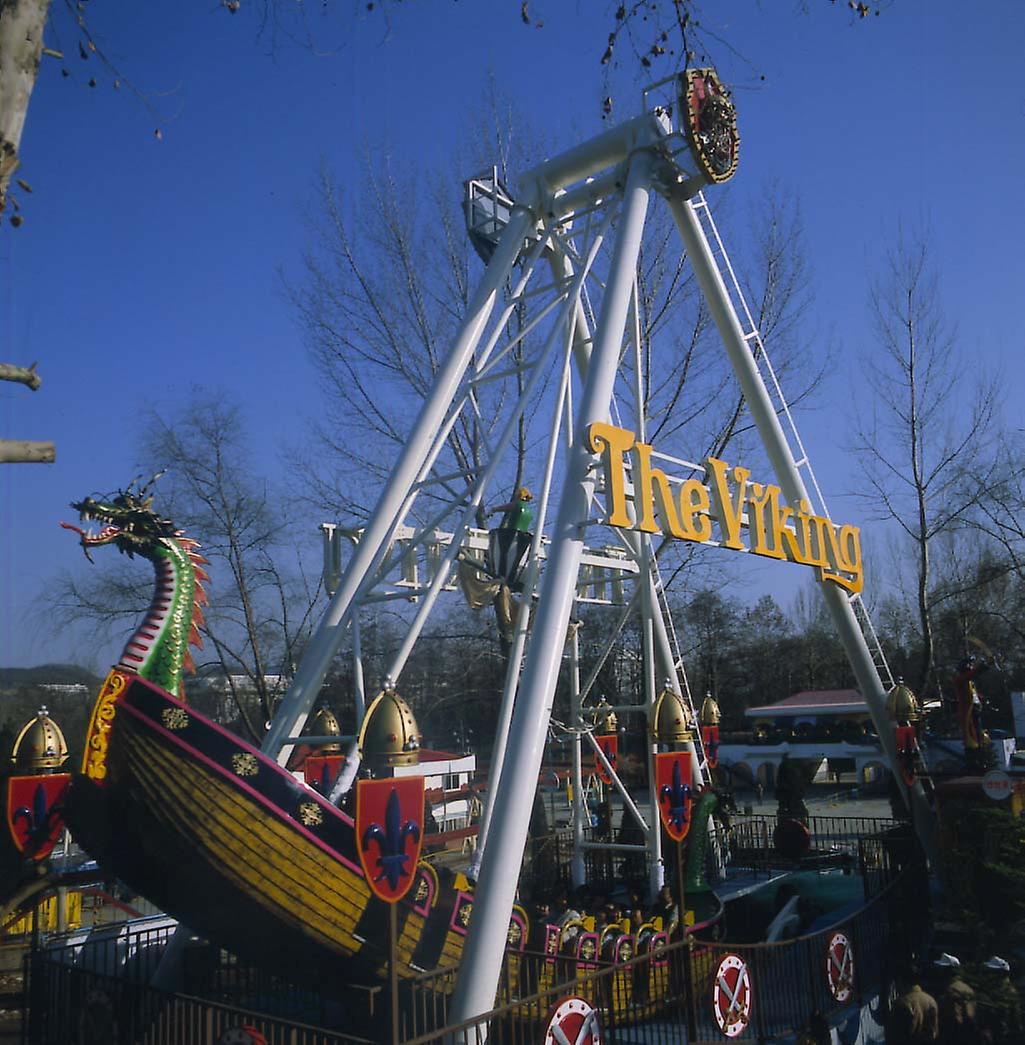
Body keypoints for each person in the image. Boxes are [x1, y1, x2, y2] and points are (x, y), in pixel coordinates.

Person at [485, 487, 534, 588]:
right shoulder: (529, 510)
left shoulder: (518, 505)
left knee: (505, 554)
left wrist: (493, 509)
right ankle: (515, 575)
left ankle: (503, 573)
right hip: (523, 536)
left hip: (511, 534)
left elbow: (508, 507)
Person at [886, 964, 938, 1044]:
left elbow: (895, 1036)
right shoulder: (931, 1001)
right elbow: (934, 1032)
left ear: (901, 981)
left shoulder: (902, 1003)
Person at [934, 953, 978, 1045]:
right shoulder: (967, 988)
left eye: (942, 968)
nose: (939, 971)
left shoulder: (951, 990)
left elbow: (955, 1018)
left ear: (948, 971)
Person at [979, 956, 1021, 1044]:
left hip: (1002, 1035)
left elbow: (1014, 1017)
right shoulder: (995, 987)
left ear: (1000, 973)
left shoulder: (1007, 991)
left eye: (992, 971)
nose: (989, 974)